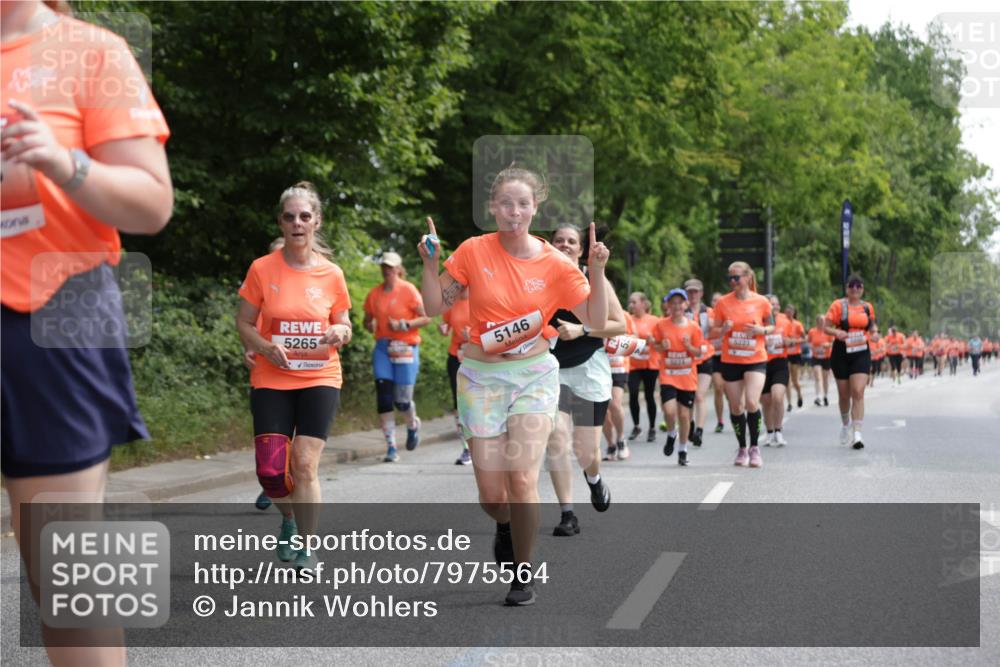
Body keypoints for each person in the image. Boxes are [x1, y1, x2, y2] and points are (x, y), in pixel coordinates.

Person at [2, 2, 172, 663]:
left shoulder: (90, 51)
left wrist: (61, 160)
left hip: (55, 318)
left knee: (70, 577)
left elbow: (152, 203)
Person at [418, 164, 610, 606]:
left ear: (535, 207)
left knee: (523, 479)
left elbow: (596, 322)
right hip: (480, 379)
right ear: (492, 207)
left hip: (533, 376)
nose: (514, 211)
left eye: (523, 203)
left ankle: (523, 572)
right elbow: (432, 305)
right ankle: (504, 526)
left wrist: (596, 269)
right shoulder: (472, 251)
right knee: (492, 495)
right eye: (505, 203)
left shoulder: (555, 263)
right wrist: (430, 263)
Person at [237, 182, 352, 571]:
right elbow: (244, 323)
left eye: (305, 216)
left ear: (316, 222)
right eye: (290, 217)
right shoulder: (261, 268)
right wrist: (265, 346)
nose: (298, 223)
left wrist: (341, 332)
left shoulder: (332, 274)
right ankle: (287, 518)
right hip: (272, 376)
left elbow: (344, 324)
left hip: (320, 375)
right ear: (281, 222)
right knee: (271, 472)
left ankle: (308, 546)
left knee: (304, 463)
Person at [545, 223, 625, 536]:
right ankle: (567, 514)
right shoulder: (536, 279)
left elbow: (619, 325)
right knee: (556, 440)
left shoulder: (593, 278)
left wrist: (583, 330)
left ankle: (594, 480)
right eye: (558, 240)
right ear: (550, 245)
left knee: (586, 451)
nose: (564, 245)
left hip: (589, 369)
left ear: (580, 249)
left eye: (571, 241)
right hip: (551, 370)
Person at [363, 252, 431, 462]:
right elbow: (366, 320)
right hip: (383, 347)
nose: (387, 271)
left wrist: (404, 324)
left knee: (402, 402)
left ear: (399, 269)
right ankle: (391, 447)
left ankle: (412, 425)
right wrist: (369, 325)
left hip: (406, 347)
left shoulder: (409, 290)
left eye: (391, 267)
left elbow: (426, 317)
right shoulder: (374, 294)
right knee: (383, 397)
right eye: (384, 267)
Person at [709, 261, 774, 468]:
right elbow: (713, 332)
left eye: (736, 277)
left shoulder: (762, 301)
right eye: (730, 278)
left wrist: (761, 331)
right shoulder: (722, 303)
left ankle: (755, 447)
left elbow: (772, 326)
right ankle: (742, 447)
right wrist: (724, 329)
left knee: (752, 403)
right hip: (731, 359)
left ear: (747, 278)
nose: (733, 281)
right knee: (736, 406)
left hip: (755, 358)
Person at [650, 289, 704, 465]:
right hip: (668, 376)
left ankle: (682, 449)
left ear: (686, 305)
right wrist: (661, 345)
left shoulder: (693, 327)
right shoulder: (661, 325)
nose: (676, 306)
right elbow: (655, 346)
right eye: (672, 303)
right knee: (669, 410)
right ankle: (672, 433)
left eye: (680, 302)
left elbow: (699, 353)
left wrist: (689, 346)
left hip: (688, 378)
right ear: (668, 305)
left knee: (684, 415)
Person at [823, 275, 877, 449]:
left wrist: (875, 333)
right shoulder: (838, 305)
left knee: (858, 391)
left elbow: (872, 326)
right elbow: (825, 327)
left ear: (862, 289)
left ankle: (858, 434)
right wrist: (836, 333)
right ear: (847, 288)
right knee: (844, 395)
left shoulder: (867, 307)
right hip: (841, 352)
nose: (855, 289)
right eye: (851, 286)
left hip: (861, 351)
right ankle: (845, 424)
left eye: (858, 286)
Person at [439, 286, 473, 465]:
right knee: (459, 403)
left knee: (475, 402)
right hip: (456, 355)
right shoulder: (451, 303)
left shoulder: (480, 299)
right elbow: (446, 326)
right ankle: (466, 448)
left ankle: (482, 442)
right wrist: (444, 329)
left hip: (477, 357)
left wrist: (473, 336)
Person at [602, 310, 639, 461]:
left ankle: (621, 440)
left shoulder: (623, 315)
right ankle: (611, 445)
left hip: (618, 366)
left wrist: (617, 339)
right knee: (602, 409)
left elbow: (635, 338)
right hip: (599, 368)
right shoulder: (592, 313)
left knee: (615, 404)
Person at [682, 278, 714, 447]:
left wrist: (722, 329)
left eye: (695, 291)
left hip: (705, 357)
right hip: (687, 360)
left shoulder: (709, 312)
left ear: (701, 293)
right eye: (689, 291)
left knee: (700, 395)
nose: (692, 294)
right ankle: (691, 424)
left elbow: (716, 332)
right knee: (690, 397)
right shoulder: (679, 312)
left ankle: (699, 430)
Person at [626, 292, 660, 442]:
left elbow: (660, 343)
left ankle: (652, 427)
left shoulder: (654, 321)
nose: (631, 305)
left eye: (634, 302)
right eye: (630, 302)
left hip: (650, 364)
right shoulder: (628, 319)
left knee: (649, 395)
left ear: (644, 304)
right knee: (633, 394)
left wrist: (653, 341)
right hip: (633, 364)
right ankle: (637, 426)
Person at [761, 295, 791, 447]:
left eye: (777, 304)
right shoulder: (760, 320)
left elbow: (793, 339)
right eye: (772, 304)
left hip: (780, 362)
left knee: (777, 397)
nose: (776, 306)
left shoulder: (785, 321)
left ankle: (778, 431)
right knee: (766, 402)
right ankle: (769, 432)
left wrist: (788, 341)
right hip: (762, 364)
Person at [709, 292, 727, 433]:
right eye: (714, 300)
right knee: (718, 387)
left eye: (718, 300)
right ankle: (720, 420)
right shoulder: (707, 315)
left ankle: (736, 413)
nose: (716, 303)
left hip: (728, 356)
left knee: (730, 391)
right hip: (713, 356)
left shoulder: (728, 314)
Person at [783, 305, 806, 410]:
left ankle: (799, 394)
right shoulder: (782, 323)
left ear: (794, 312)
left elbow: (804, 338)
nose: (789, 313)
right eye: (787, 311)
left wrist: (794, 341)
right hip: (784, 354)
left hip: (795, 354)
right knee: (787, 379)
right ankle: (789, 403)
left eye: (791, 311)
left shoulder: (798, 324)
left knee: (794, 380)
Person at [807, 316, 833, 405]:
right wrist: (811, 346)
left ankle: (825, 396)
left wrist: (828, 344)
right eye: (820, 321)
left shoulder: (828, 331)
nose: (822, 322)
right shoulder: (812, 331)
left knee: (825, 378)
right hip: (816, 357)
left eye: (824, 321)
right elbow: (808, 341)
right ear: (817, 322)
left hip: (826, 357)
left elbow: (833, 343)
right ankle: (818, 396)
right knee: (818, 376)